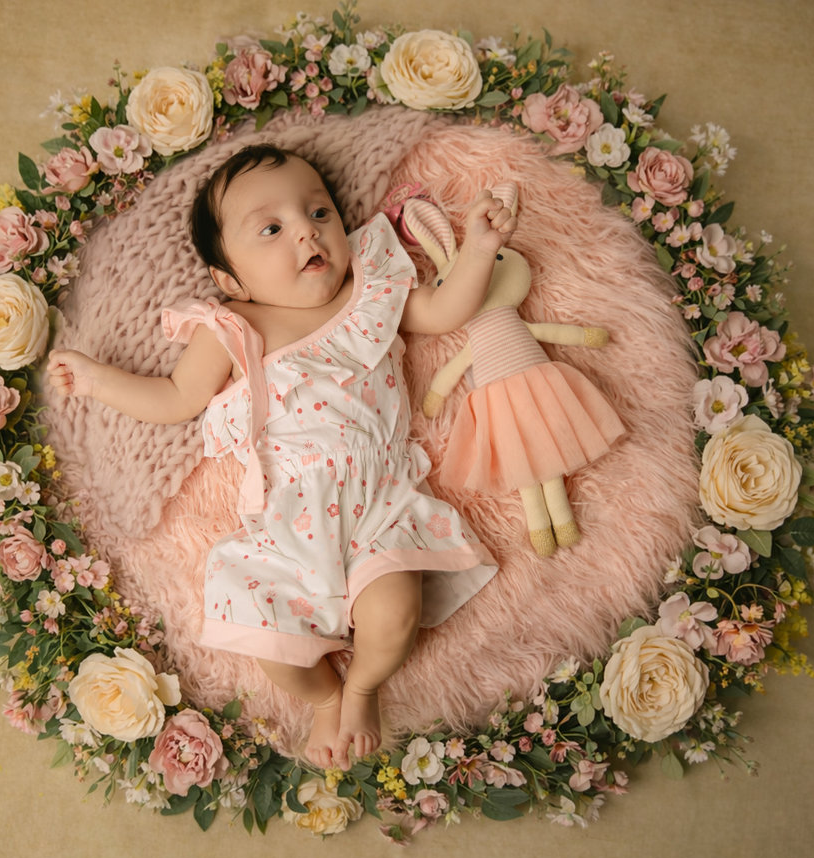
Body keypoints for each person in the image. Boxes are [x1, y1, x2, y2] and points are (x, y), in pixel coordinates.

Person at [48, 144, 516, 769]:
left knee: (395, 618)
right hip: (286, 521)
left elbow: (442, 311)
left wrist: (481, 249)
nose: (306, 231)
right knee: (274, 647)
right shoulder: (235, 327)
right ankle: (324, 697)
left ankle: (363, 688)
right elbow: (174, 397)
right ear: (230, 280)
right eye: (272, 228)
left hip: (378, 503)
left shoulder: (370, 291)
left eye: (319, 212)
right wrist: (98, 380)